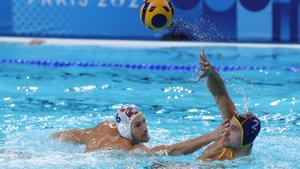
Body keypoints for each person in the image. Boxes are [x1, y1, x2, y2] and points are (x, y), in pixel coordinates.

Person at [52, 104, 229, 154]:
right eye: (138, 125)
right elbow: (172, 150)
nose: (145, 128)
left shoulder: (102, 128)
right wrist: (211, 136)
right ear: (125, 129)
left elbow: (70, 135)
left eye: (144, 121)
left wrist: (52, 137)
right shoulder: (134, 149)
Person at [195, 49, 261, 161]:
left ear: (245, 139)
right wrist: (211, 73)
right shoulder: (231, 136)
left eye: (234, 129)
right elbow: (220, 94)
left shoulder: (233, 163)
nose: (225, 132)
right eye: (230, 125)